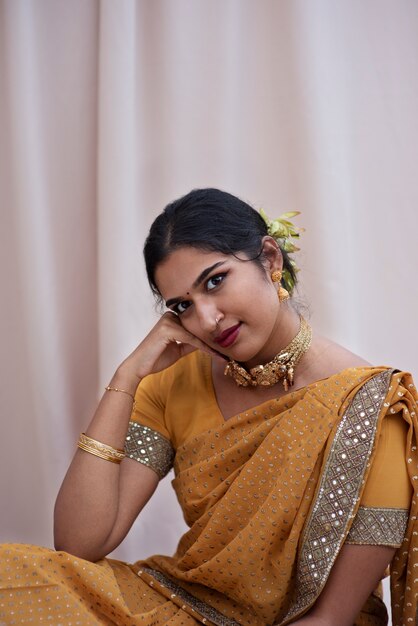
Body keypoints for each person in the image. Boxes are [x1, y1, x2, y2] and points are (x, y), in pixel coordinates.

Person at [1, 188, 417, 626]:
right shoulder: (176, 383)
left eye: (215, 281)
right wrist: (126, 379)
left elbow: (331, 618)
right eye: (182, 306)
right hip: (185, 605)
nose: (205, 319)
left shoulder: (373, 405)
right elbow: (78, 543)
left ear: (270, 261)